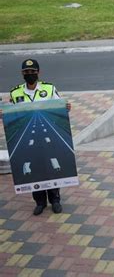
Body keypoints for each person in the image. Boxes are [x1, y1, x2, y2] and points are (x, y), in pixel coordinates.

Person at [1, 59, 71, 216]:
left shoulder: (49, 88)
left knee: (52, 165)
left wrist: (66, 108)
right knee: (34, 167)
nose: (29, 74)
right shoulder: (15, 92)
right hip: (27, 135)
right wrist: (4, 114)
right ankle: (39, 202)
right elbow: (13, 113)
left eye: (32, 71)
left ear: (38, 72)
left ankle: (55, 200)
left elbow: (59, 107)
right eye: (26, 72)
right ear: (22, 73)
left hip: (47, 135)